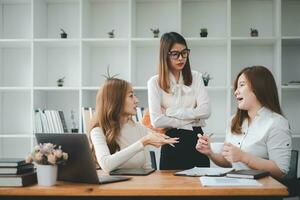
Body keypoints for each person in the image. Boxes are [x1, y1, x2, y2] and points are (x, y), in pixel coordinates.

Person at [196, 66, 292, 179]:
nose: (236, 92)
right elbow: (229, 162)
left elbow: (280, 170)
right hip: (237, 186)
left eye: (241, 85)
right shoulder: (234, 121)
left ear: (259, 87)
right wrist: (210, 153)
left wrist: (244, 157)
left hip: (263, 190)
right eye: (236, 87)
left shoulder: (277, 123)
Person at [147, 32, 211, 170]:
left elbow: (206, 111)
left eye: (184, 53)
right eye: (175, 54)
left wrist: (170, 112)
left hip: (197, 140)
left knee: (201, 187)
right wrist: (193, 118)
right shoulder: (154, 82)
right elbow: (156, 121)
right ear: (165, 55)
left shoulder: (196, 77)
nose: (181, 58)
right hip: (172, 142)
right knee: (170, 189)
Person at [88, 78, 178, 173]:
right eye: (131, 96)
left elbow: (147, 169)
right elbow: (106, 165)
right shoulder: (98, 131)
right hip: (111, 187)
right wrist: (143, 142)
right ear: (115, 100)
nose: (136, 100)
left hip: (137, 186)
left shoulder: (140, 129)